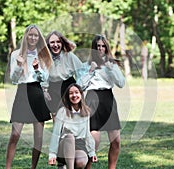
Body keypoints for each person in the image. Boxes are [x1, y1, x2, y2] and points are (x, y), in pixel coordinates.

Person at [6, 24, 53, 169]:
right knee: (15, 134)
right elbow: (14, 79)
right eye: (30, 35)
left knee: (38, 138)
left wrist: (37, 69)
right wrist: (20, 65)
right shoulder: (16, 54)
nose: (33, 37)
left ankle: (33, 167)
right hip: (22, 93)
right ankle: (7, 167)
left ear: (39, 38)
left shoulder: (43, 54)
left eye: (36, 35)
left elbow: (45, 79)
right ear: (26, 36)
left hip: (37, 93)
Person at [78, 34, 125, 169]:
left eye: (103, 46)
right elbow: (79, 86)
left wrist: (111, 69)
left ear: (106, 48)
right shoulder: (85, 65)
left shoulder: (112, 64)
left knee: (116, 141)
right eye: (98, 46)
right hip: (92, 99)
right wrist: (91, 71)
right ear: (94, 48)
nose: (100, 48)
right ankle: (88, 167)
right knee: (94, 143)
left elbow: (121, 83)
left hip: (108, 100)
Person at [48, 83, 98, 169]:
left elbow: (87, 134)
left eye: (76, 92)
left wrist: (92, 152)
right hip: (64, 145)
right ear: (67, 96)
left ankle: (65, 166)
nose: (74, 95)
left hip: (79, 144)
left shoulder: (86, 112)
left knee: (81, 162)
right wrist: (52, 154)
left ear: (81, 94)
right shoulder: (62, 112)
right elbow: (56, 134)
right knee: (70, 136)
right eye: (71, 93)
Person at [45, 30, 84, 120]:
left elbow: (81, 72)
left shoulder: (69, 55)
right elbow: (43, 75)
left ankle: (71, 133)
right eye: (52, 42)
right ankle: (58, 134)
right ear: (48, 44)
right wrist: (45, 89)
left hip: (68, 85)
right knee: (56, 115)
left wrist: (79, 88)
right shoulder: (45, 57)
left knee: (70, 115)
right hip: (53, 87)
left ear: (62, 43)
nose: (55, 45)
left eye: (58, 42)